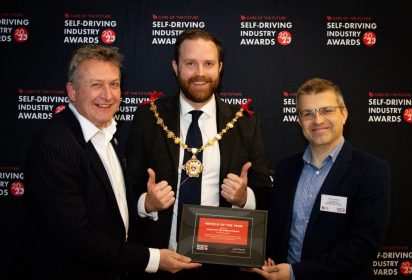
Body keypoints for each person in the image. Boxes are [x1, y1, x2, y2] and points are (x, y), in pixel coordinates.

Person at [23, 44, 200, 280]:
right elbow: (76, 238)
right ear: (72, 91)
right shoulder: (55, 144)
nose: (108, 95)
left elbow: (112, 214)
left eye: (114, 84)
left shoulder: (108, 135)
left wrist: (146, 205)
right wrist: (154, 259)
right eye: (96, 84)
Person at [124, 29, 271, 278]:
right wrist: (146, 204)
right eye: (190, 63)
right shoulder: (148, 118)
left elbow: (265, 192)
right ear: (175, 66)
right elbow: (124, 188)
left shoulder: (244, 123)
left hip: (223, 265)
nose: (200, 73)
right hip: (161, 262)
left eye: (208, 64)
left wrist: (244, 198)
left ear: (220, 67)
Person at [253, 78, 391, 280]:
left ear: (343, 115)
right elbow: (276, 229)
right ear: (299, 121)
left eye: (327, 110)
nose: (317, 120)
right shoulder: (286, 169)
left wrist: (295, 273)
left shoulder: (371, 171)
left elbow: (362, 247)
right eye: (308, 113)